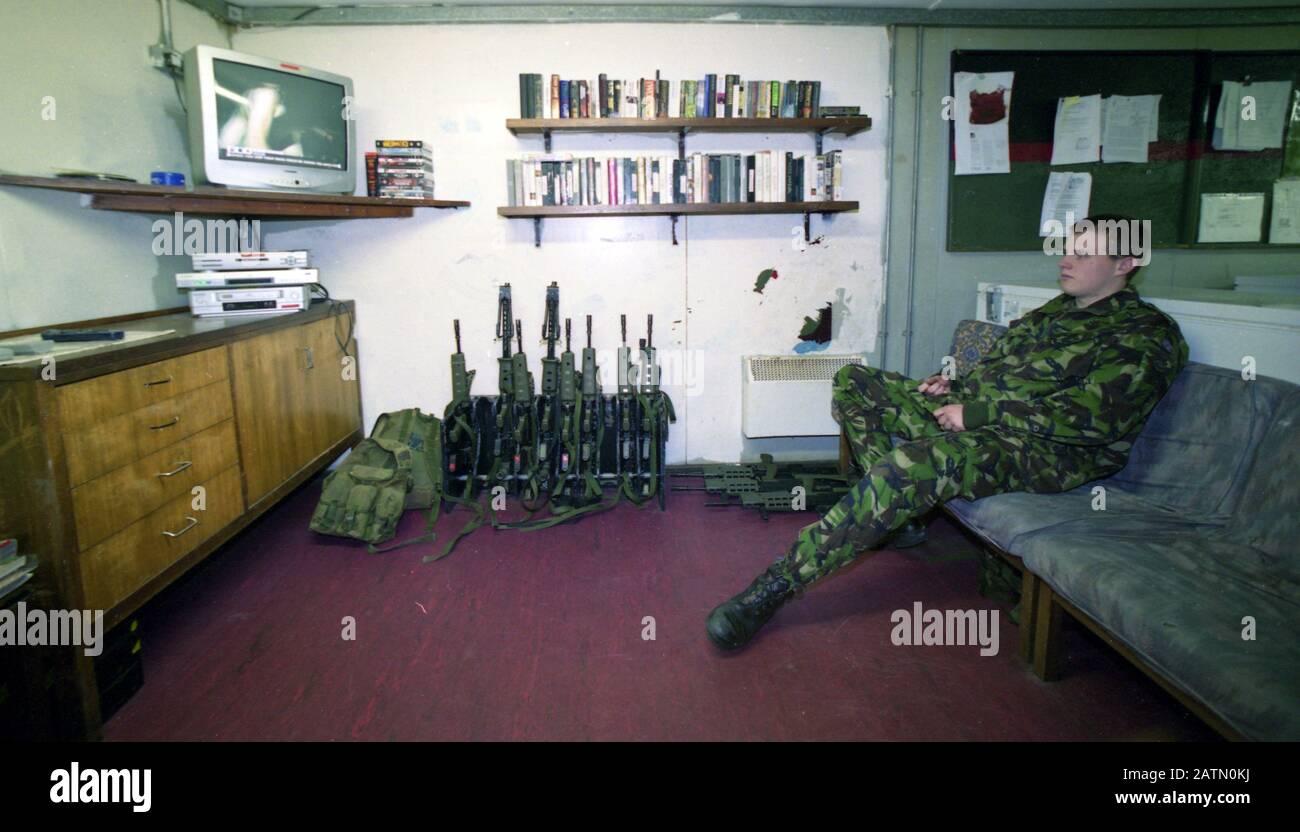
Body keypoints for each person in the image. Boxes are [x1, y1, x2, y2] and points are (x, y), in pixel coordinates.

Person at [706, 214, 1189, 650]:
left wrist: (978, 412)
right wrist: (955, 386)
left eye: (1084, 253)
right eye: (1068, 247)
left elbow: (1095, 420)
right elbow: (1002, 371)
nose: (1066, 259)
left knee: (911, 466)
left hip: (1051, 452)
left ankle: (774, 587)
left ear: (1126, 262)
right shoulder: (1056, 310)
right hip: (988, 419)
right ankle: (900, 520)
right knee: (856, 382)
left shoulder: (1146, 335)